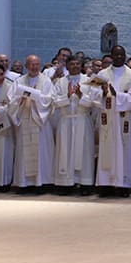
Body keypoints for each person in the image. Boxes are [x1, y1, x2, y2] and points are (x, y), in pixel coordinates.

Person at [89, 45, 131, 197]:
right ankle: (105, 185)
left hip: (124, 120)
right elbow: (93, 94)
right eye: (116, 55)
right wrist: (103, 94)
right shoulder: (101, 74)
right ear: (111, 56)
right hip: (107, 119)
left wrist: (116, 94)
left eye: (121, 55)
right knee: (107, 150)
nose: (119, 57)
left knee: (125, 151)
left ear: (125, 56)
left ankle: (123, 186)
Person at [8, 55, 55, 193]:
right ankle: (23, 183)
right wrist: (20, 101)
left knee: (41, 152)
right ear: (26, 66)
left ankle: (41, 183)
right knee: (23, 152)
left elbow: (49, 99)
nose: (35, 67)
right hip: (24, 119)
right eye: (32, 64)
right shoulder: (19, 81)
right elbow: (12, 100)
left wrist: (36, 97)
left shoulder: (46, 81)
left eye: (37, 64)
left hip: (40, 122)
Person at [51, 56, 95, 195]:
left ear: (81, 66)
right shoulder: (60, 82)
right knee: (65, 151)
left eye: (77, 64)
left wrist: (81, 95)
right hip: (66, 121)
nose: (75, 66)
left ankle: (85, 184)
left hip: (82, 119)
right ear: (67, 66)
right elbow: (54, 102)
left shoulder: (88, 81)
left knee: (84, 152)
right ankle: (65, 184)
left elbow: (94, 102)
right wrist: (68, 96)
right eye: (72, 64)